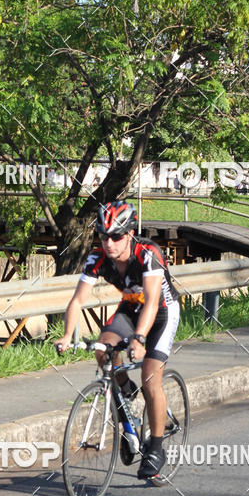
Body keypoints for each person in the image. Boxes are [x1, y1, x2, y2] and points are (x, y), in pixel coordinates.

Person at [54, 201, 180, 480]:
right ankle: (126, 407)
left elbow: (151, 302)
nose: (109, 243)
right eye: (103, 236)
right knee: (102, 349)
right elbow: (77, 300)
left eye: (116, 236)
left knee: (150, 378)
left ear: (130, 233)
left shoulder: (148, 253)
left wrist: (139, 338)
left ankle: (157, 447)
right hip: (131, 308)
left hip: (160, 312)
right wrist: (66, 335)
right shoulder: (97, 258)